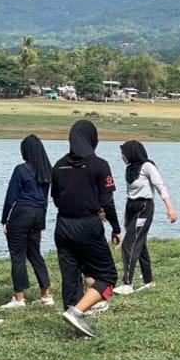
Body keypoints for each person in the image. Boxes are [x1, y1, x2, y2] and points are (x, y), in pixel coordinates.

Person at [51, 120, 121, 337]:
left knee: (70, 276)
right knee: (108, 278)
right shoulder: (99, 165)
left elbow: (55, 198)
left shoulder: (58, 165)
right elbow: (107, 202)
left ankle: (76, 325)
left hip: (62, 226)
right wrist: (116, 227)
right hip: (88, 226)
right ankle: (78, 312)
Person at [114, 140, 178, 295]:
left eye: (124, 153)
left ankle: (127, 284)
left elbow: (160, 185)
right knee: (139, 244)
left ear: (132, 153)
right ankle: (148, 281)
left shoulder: (147, 166)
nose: (122, 157)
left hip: (144, 207)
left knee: (128, 244)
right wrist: (125, 218)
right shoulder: (130, 169)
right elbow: (130, 194)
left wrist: (170, 208)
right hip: (131, 207)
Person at [0, 134, 53, 309]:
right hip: (38, 214)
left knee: (17, 256)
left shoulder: (21, 170)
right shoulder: (47, 171)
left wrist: (4, 219)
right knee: (35, 254)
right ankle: (46, 295)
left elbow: (11, 197)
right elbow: (45, 200)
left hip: (21, 214)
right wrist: (42, 225)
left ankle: (19, 298)